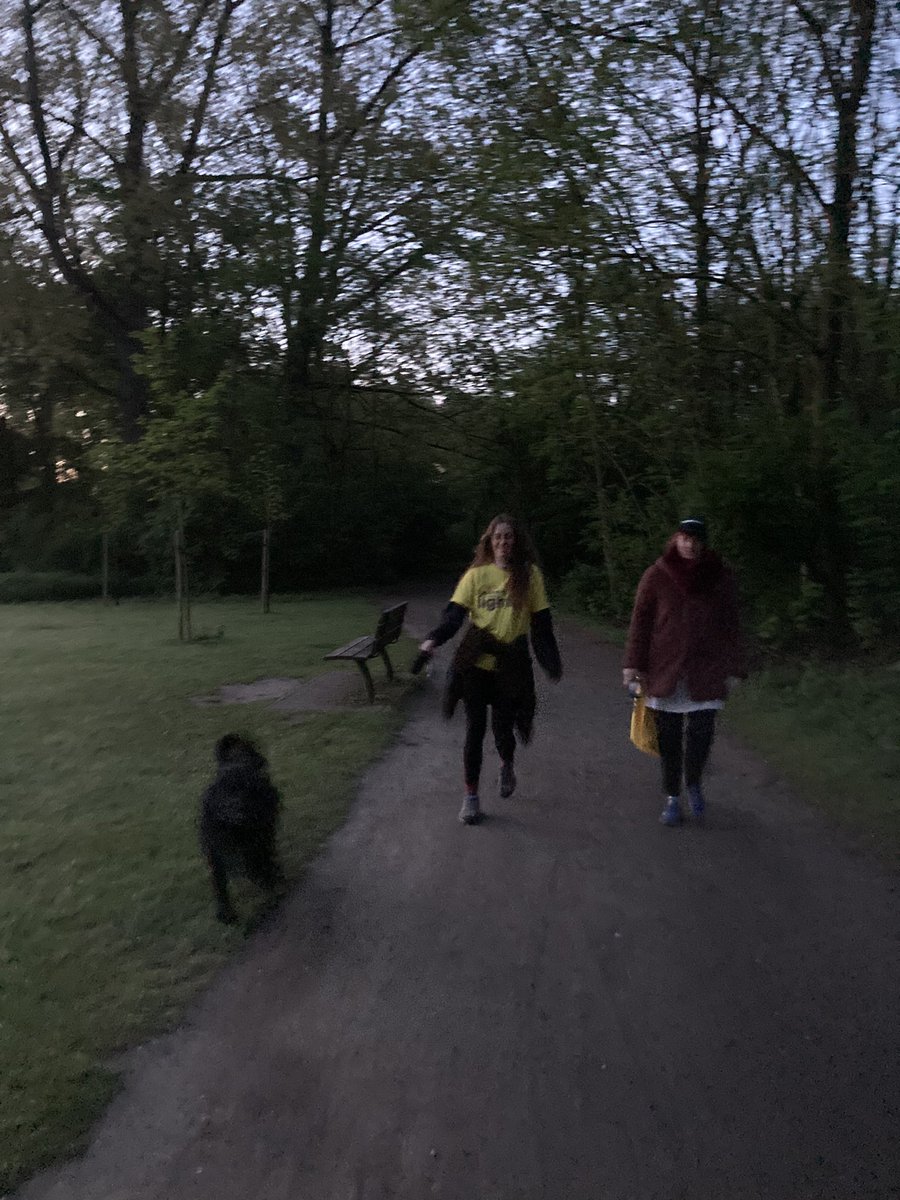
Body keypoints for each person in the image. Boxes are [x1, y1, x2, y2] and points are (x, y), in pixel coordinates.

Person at [419, 514, 563, 824]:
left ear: (516, 542)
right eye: (497, 537)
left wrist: (550, 660)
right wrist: (433, 639)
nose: (503, 542)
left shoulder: (529, 576)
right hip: (476, 664)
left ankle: (506, 763)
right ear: (489, 541)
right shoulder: (475, 576)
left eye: (508, 537)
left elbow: (541, 624)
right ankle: (470, 797)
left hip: (510, 666)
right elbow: (453, 616)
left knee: (503, 729)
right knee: (474, 729)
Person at [622, 517, 745, 826]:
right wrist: (632, 666)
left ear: (703, 543)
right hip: (666, 668)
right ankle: (672, 797)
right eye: (685, 538)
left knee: (702, 732)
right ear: (676, 539)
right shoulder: (657, 575)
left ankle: (693, 781)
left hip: (706, 667)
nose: (690, 544)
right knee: (670, 738)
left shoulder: (719, 576)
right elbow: (641, 623)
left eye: (696, 540)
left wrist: (736, 665)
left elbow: (731, 624)